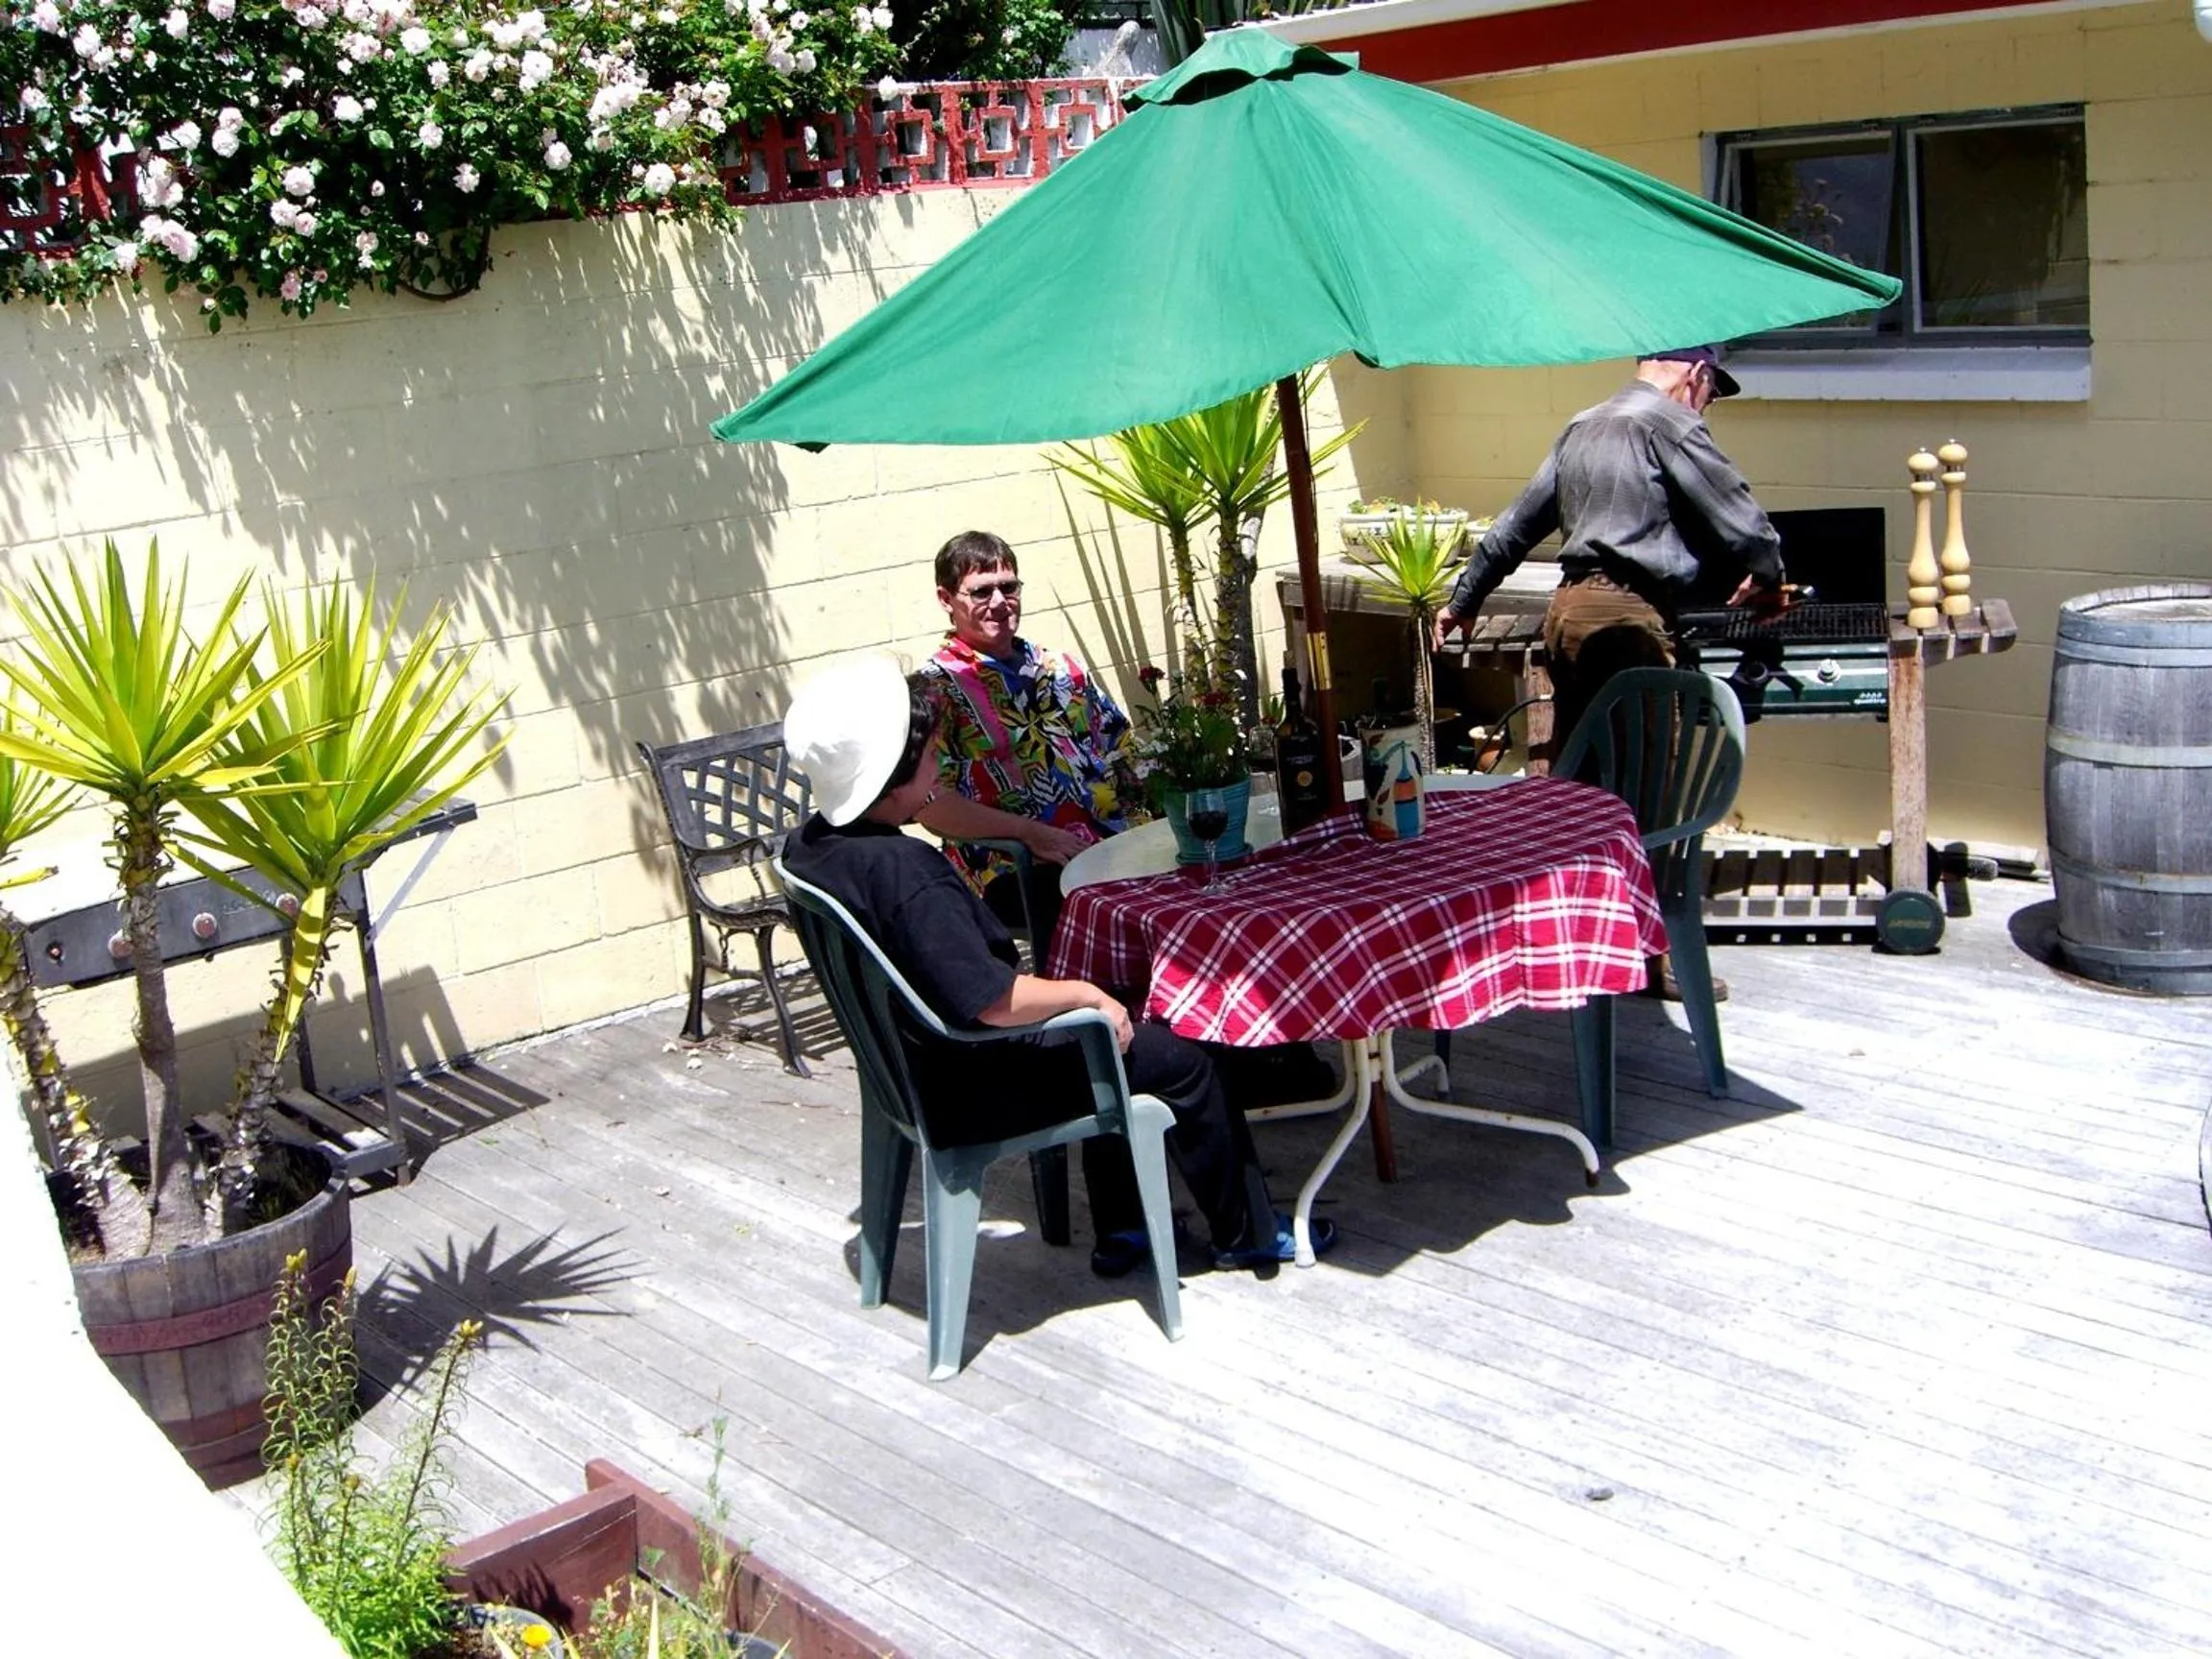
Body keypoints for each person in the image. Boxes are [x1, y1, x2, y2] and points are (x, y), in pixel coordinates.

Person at [780, 653, 1334, 1276]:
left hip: (915, 1069)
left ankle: (1126, 1228)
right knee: (1182, 1055)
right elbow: (993, 1001)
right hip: (975, 1080)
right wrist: (1089, 1000)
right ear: (895, 776)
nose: (939, 775)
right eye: (933, 759)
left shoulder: (813, 847)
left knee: (1114, 1023)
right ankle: (1248, 1235)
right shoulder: (910, 876)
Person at [1434, 345, 1787, 1000]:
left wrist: (1462, 600)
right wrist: (1769, 577)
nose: (1707, 406)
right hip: (1627, 621)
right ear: (1695, 375)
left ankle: (1580, 942)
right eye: (1711, 392)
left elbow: (1513, 527)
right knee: (1653, 790)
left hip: (1567, 616)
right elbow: (1741, 517)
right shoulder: (1669, 424)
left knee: (1588, 790)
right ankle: (1656, 958)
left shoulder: (1581, 426)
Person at [915, 530, 1146, 955]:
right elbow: (933, 807)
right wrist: (1030, 835)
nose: (1000, 602)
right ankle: (1093, 1013)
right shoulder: (936, 693)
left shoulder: (1061, 668)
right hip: (1011, 865)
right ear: (946, 599)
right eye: (982, 591)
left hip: (1108, 842)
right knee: (1099, 907)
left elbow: (1121, 746)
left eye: (1009, 586)